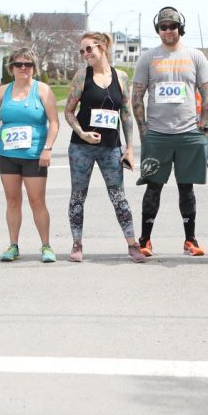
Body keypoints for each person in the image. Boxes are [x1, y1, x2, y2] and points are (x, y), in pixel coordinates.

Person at [131, 6, 208, 257]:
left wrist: (203, 128)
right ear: (158, 29)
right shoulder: (148, 58)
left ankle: (190, 240)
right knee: (153, 186)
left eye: (173, 26)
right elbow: (137, 96)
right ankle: (145, 239)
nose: (168, 30)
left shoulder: (196, 56)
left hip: (188, 133)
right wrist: (143, 131)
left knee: (186, 187)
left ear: (180, 28)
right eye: (163, 26)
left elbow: (207, 95)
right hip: (157, 134)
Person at [63, 32, 145, 263]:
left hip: (111, 147)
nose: (85, 54)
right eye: (82, 51)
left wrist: (129, 148)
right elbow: (68, 111)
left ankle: (133, 245)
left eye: (88, 49)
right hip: (81, 147)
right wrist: (82, 133)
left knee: (118, 196)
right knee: (78, 196)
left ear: (102, 48)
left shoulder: (121, 77)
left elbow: (126, 114)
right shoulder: (82, 76)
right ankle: (77, 244)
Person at [0, 49, 59, 263]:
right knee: (12, 200)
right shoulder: (2, 91)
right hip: (8, 155)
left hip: (34, 155)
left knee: (37, 201)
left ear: (34, 67)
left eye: (28, 64)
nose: (23, 68)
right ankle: (13, 245)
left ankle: (46, 245)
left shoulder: (42, 90)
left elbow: (54, 122)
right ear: (12, 68)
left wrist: (47, 148)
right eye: (18, 64)